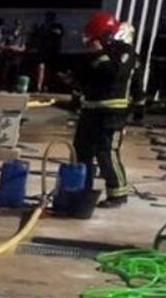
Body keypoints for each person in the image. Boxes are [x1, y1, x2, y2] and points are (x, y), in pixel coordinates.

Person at [74, 12, 139, 208]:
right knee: (82, 149)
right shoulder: (92, 55)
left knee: (106, 152)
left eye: (93, 40)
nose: (90, 45)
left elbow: (114, 75)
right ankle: (82, 188)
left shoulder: (124, 51)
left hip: (112, 112)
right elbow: (85, 77)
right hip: (90, 109)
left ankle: (118, 193)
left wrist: (100, 55)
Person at [32, 11, 65, 92]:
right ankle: (38, 86)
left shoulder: (57, 26)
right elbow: (36, 35)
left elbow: (59, 33)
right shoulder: (42, 26)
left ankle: (47, 86)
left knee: (50, 70)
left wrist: (49, 30)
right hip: (42, 50)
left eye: (50, 18)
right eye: (47, 17)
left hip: (52, 51)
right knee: (40, 67)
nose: (48, 19)